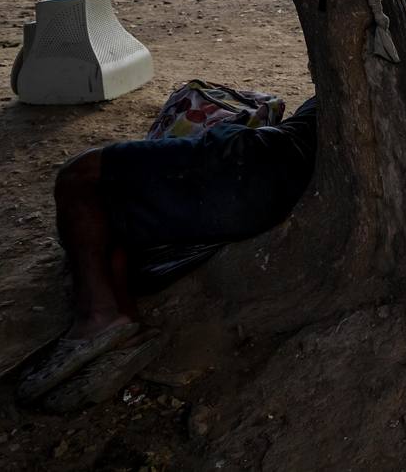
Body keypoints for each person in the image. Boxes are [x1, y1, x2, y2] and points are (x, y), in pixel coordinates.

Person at [18, 97, 319, 405]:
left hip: (248, 166)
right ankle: (124, 328)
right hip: (267, 183)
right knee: (118, 211)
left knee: (77, 175)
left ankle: (97, 317)